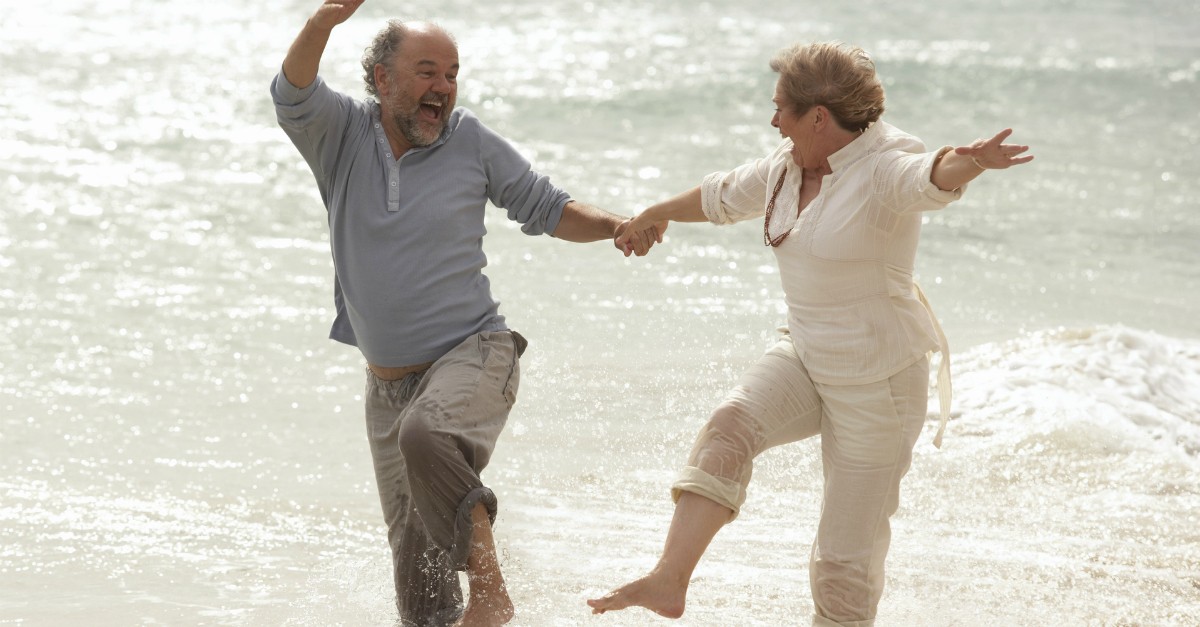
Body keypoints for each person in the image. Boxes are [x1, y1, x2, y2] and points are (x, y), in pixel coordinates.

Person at [588, 41, 1032, 625]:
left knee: (841, 568)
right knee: (728, 430)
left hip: (880, 384)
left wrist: (970, 161)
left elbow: (927, 178)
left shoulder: (883, 165)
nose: (773, 121)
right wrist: (654, 212)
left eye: (781, 109)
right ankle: (668, 581)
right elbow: (721, 196)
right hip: (805, 354)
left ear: (817, 117)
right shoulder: (786, 166)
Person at [270, 2, 657, 625]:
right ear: (381, 80)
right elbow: (291, 93)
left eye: (452, 74)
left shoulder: (469, 139)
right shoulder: (340, 134)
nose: (443, 88)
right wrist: (322, 22)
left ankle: (493, 594)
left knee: (428, 434)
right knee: (418, 582)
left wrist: (617, 226)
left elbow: (546, 206)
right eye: (427, 72)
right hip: (386, 387)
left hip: (474, 355)